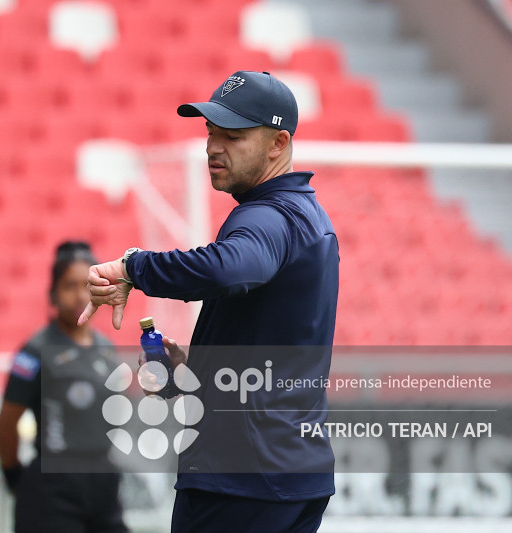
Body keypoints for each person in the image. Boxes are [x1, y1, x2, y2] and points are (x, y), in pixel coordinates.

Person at [79, 71, 339, 533]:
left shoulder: (266, 216)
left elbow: (230, 268)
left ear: (278, 143)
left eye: (233, 137)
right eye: (210, 133)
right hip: (293, 472)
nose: (213, 147)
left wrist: (133, 267)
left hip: (243, 480)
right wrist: (196, 370)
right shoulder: (305, 213)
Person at [0, 241, 128, 533]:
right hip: (52, 488)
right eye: (70, 285)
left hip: (103, 483)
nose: (80, 294)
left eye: (88, 284)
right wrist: (13, 477)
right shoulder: (33, 352)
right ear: (53, 293)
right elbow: (7, 422)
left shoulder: (106, 349)